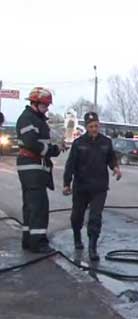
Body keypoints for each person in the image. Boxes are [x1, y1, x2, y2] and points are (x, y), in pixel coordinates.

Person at [63, 112, 122, 261]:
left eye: (96, 126)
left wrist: (115, 168)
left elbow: (111, 158)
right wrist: (66, 183)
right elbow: (70, 165)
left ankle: (92, 248)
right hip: (81, 186)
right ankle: (77, 238)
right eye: (91, 126)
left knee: (95, 217)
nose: (94, 129)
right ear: (86, 127)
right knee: (77, 216)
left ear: (99, 125)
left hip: (99, 187)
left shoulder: (106, 142)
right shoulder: (79, 143)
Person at [16, 87, 63, 253]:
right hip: (32, 166)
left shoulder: (35, 119)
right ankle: (38, 242)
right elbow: (31, 143)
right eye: (45, 105)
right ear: (35, 103)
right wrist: (52, 150)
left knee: (30, 205)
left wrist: (54, 147)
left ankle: (29, 240)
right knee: (38, 205)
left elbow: (38, 142)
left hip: (33, 167)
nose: (47, 108)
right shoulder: (28, 119)